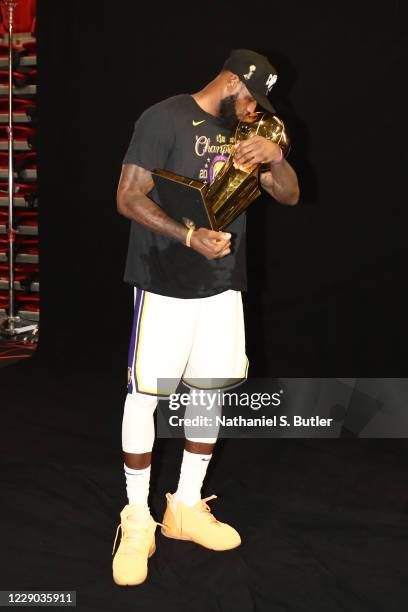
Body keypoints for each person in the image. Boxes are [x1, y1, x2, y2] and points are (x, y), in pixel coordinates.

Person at [112, 48, 300, 586]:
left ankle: (185, 508)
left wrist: (276, 157)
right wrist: (187, 235)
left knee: (209, 394)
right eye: (251, 96)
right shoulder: (163, 116)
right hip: (163, 280)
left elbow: (288, 196)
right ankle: (137, 517)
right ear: (232, 80)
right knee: (145, 396)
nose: (253, 109)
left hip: (222, 286)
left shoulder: (254, 132)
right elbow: (128, 196)